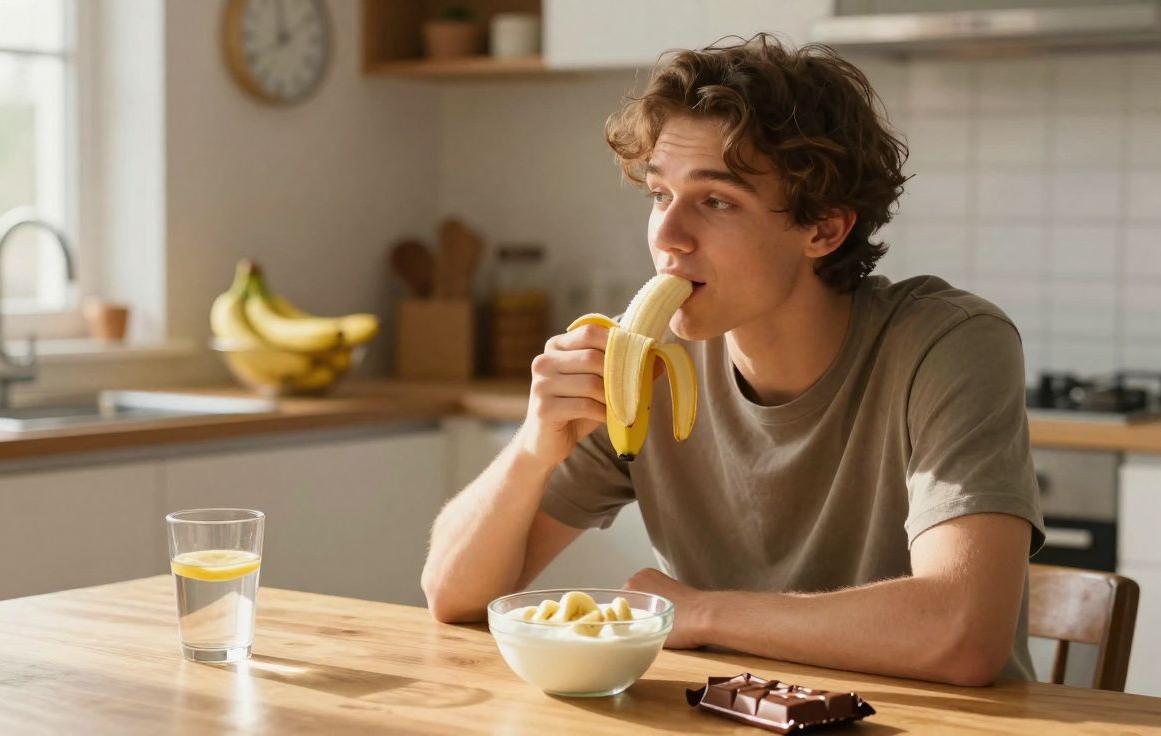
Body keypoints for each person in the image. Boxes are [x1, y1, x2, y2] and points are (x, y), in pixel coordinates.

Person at [421, 34, 1045, 687]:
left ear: (824, 229)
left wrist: (702, 614)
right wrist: (533, 449)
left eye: (715, 201)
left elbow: (962, 634)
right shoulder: (650, 368)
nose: (666, 236)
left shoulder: (948, 343)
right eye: (660, 195)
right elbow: (453, 596)